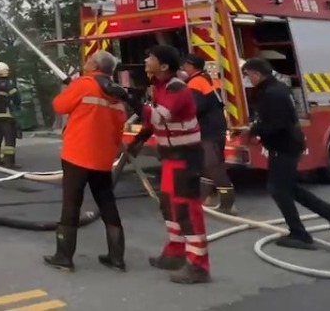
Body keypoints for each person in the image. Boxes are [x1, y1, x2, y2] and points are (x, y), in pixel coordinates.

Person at [127, 45, 211, 284]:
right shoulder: (161, 87)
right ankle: (176, 251)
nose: (145, 59)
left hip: (185, 156)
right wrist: (140, 138)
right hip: (172, 157)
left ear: (163, 66)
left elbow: (158, 116)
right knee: (168, 204)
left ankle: (198, 266)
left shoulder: (177, 89)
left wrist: (130, 100)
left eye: (150, 58)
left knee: (186, 209)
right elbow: (156, 122)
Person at [242, 58, 330, 250]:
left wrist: (255, 130)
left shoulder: (272, 93)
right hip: (287, 144)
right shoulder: (276, 89)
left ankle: (300, 234)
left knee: (278, 189)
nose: (248, 79)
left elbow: (278, 123)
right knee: (290, 188)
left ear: (256, 73)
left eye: (248, 75)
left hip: (284, 147)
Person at [43, 50, 130, 272]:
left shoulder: (84, 84)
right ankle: (117, 257)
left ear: (94, 66)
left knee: (71, 203)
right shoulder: (117, 95)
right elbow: (118, 128)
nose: (86, 63)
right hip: (103, 159)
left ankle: (64, 256)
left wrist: (70, 88)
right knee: (107, 203)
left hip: (77, 155)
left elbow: (59, 106)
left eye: (89, 61)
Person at [182, 54, 236, 213]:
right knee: (207, 163)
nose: (183, 68)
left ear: (191, 66)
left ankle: (228, 204)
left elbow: (196, 108)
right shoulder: (208, 78)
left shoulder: (195, 83)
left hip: (208, 129)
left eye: (185, 65)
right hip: (218, 126)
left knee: (213, 165)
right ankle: (206, 198)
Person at [0, 62, 20, 167]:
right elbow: (16, 98)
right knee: (9, 140)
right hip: (6, 116)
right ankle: (9, 162)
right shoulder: (9, 84)